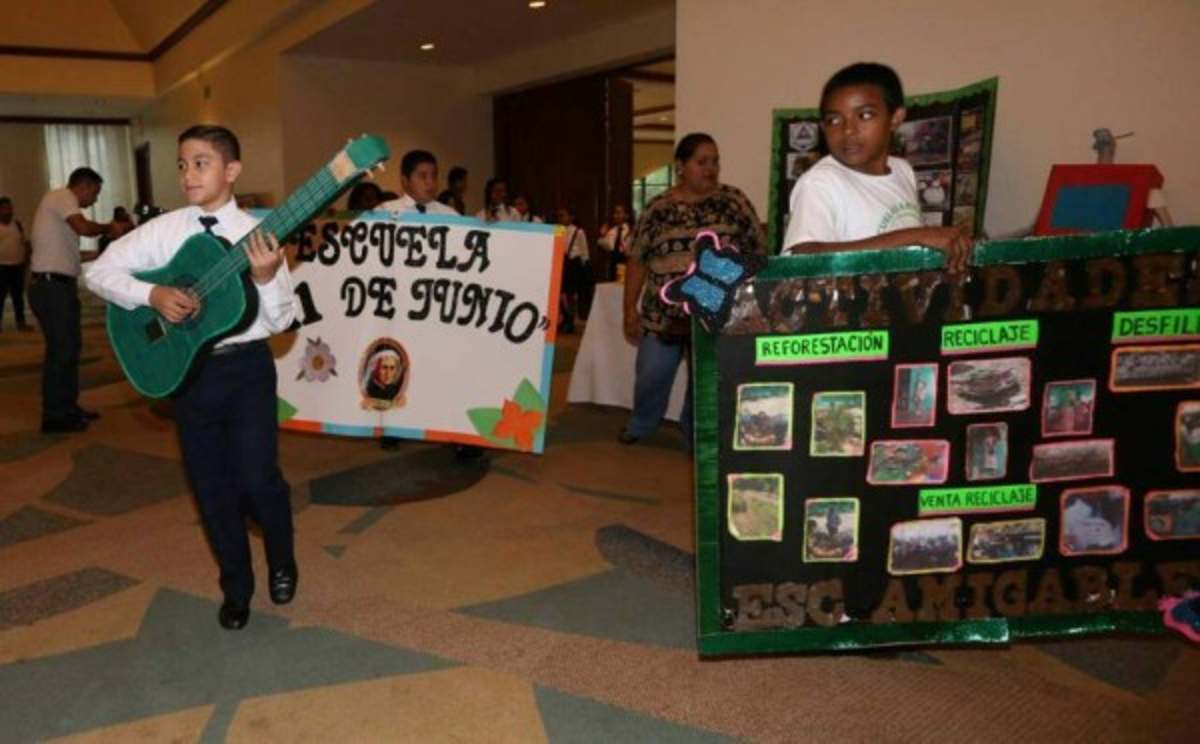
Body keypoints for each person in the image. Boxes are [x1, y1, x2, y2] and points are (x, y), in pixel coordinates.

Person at [86, 125, 299, 630]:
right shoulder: (166, 230)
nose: (188, 174)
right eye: (182, 164)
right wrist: (152, 296)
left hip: (246, 368)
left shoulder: (258, 235)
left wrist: (267, 279)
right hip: (189, 371)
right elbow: (98, 272)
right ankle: (237, 587)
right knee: (210, 484)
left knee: (258, 477)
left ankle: (283, 557)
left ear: (232, 171)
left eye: (201, 163)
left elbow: (281, 321)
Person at [620, 132, 766, 446]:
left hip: (717, 314)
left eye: (715, 161)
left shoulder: (734, 202)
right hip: (663, 315)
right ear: (681, 166)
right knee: (651, 375)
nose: (711, 168)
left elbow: (758, 250)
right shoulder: (657, 208)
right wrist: (628, 308)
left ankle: (695, 432)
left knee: (705, 382)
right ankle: (642, 424)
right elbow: (637, 259)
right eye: (702, 162)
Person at [781, 62, 972, 272]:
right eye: (834, 120)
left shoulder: (903, 170)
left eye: (864, 115)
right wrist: (915, 237)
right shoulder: (820, 182)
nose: (848, 130)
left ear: (895, 118)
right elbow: (804, 258)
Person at [378, 150, 485, 462]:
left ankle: (457, 434)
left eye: (433, 175)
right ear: (405, 180)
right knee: (400, 365)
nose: (430, 182)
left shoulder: (449, 216)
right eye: (422, 176)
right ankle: (393, 426)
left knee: (446, 370)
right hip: (400, 310)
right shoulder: (386, 212)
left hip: (439, 309)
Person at [29, 167, 125, 433]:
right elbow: (84, 228)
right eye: (94, 193)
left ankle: (67, 406)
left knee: (69, 350)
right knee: (61, 351)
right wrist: (110, 228)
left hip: (58, 287)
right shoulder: (62, 197)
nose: (94, 200)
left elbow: (72, 255)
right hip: (51, 289)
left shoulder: (58, 206)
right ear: (83, 186)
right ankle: (54, 415)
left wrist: (102, 254)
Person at [0, 197, 33, 332]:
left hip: (17, 266)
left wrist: (26, 260)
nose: (9, 211)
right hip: (1, 267)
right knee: (0, 296)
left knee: (18, 296)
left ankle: (21, 322)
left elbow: (27, 244)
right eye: (5, 208)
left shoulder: (18, 225)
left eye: (10, 208)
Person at [597, 204, 633, 282]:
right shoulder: (612, 231)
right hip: (613, 264)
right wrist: (602, 236)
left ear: (626, 215)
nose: (616, 215)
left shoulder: (631, 230)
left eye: (619, 213)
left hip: (627, 263)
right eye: (615, 213)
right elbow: (608, 247)